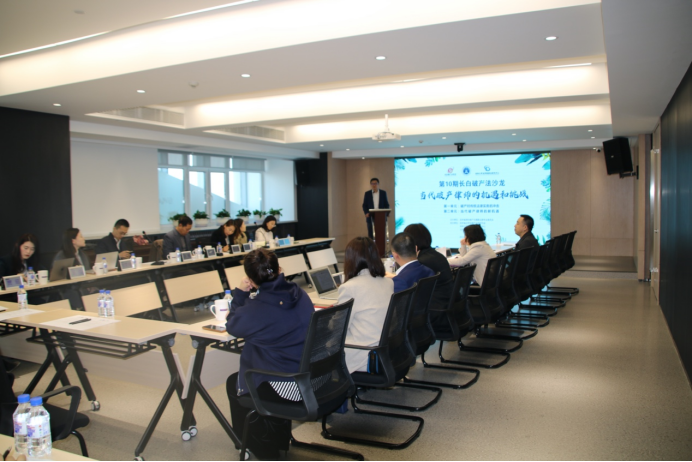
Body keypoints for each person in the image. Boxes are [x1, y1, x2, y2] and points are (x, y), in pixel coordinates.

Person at [225, 248, 313, 459]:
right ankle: (276, 438)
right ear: (279, 269)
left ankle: (256, 446)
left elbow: (232, 324)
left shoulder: (256, 309)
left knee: (233, 383)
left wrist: (240, 294)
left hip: (288, 387)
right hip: (312, 377)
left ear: (251, 280)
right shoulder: (299, 293)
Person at [336, 237, 394, 373]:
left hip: (365, 355)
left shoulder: (349, 287)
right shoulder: (388, 283)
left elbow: (339, 328)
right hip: (386, 351)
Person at [404, 223, 453, 318]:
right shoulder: (436, 255)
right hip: (445, 306)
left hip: (434, 311)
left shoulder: (423, 261)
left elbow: (406, 281)